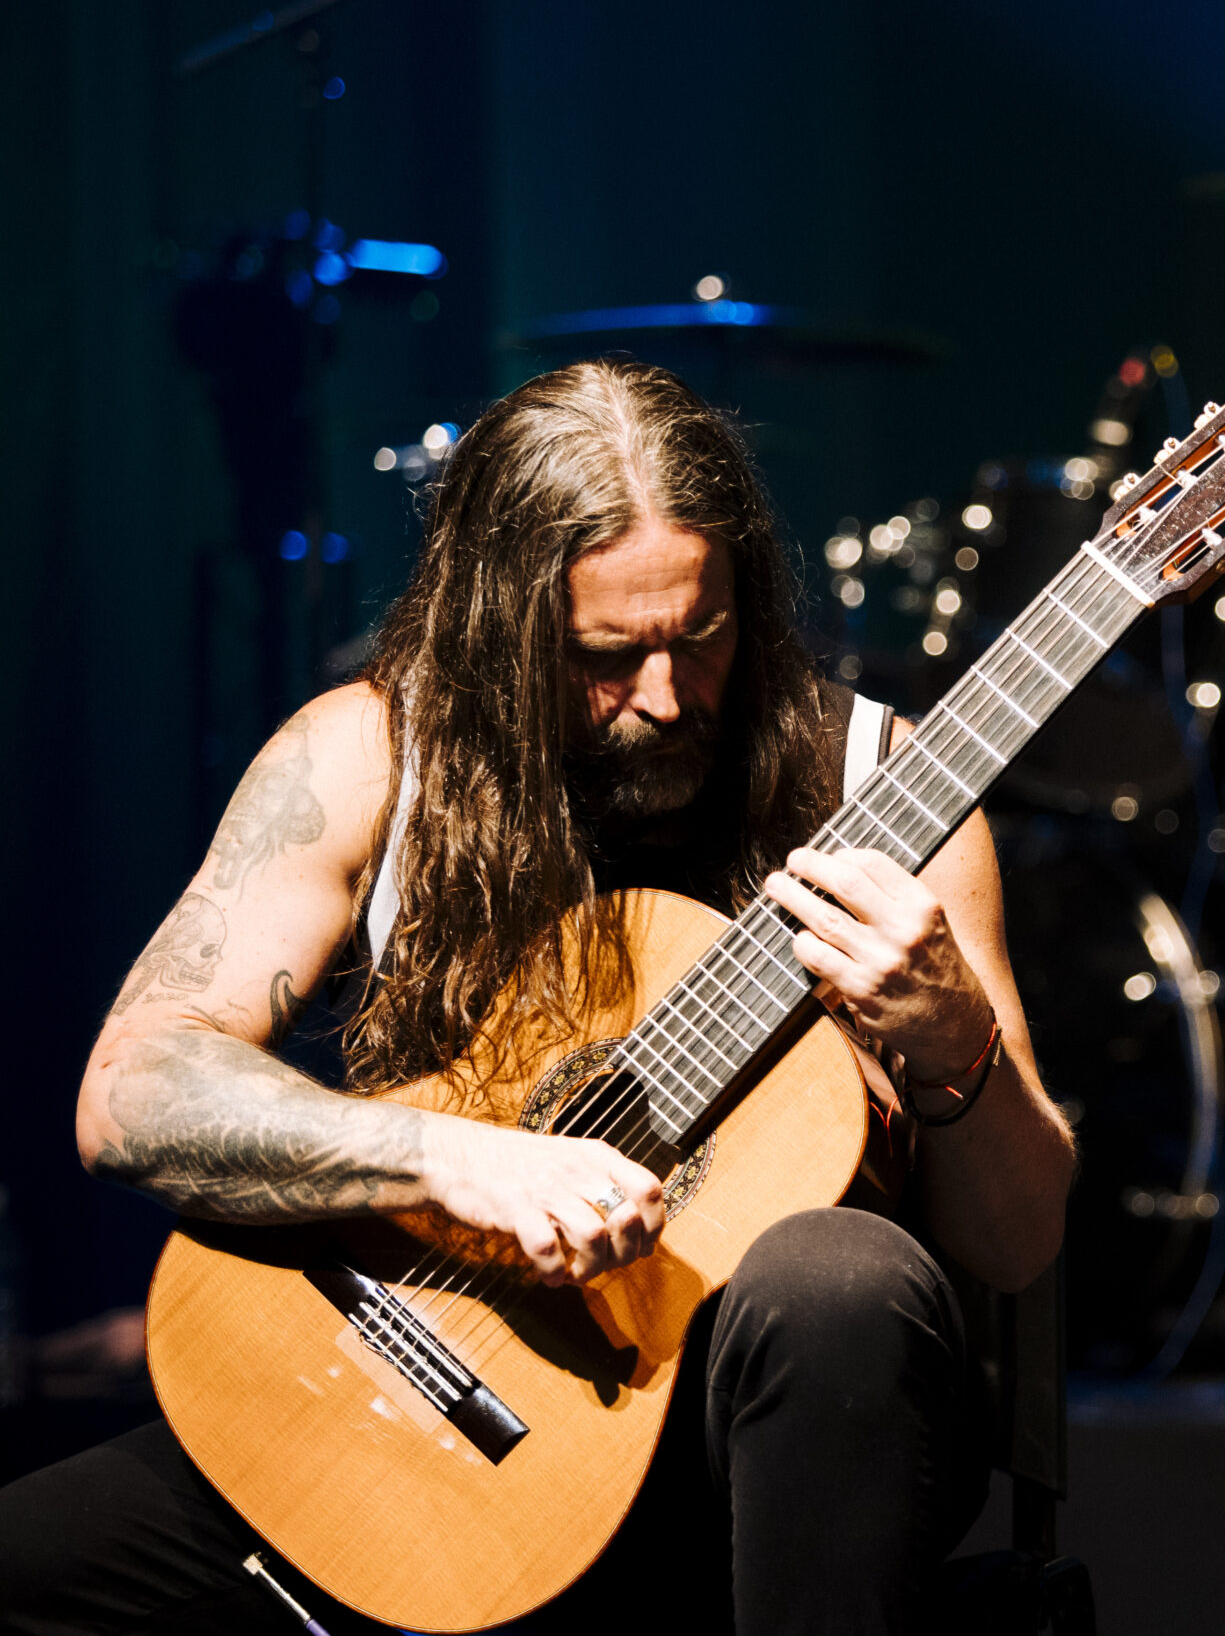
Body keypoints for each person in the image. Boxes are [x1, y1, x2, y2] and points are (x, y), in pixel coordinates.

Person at [0, 360, 1076, 1635]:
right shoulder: (366, 754)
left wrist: (956, 1037)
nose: (666, 699)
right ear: (496, 625)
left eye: (704, 636)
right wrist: (454, 1159)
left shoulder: (880, 786)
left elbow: (1015, 1245)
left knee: (836, 1275)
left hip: (737, 1459)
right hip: (398, 1381)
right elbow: (134, 1090)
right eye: (606, 657)